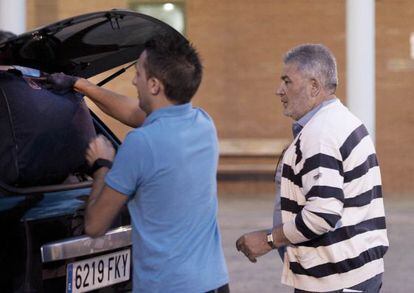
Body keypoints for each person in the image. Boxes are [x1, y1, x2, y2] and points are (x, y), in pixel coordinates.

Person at [46, 34, 229, 292]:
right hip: (214, 281)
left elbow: (95, 225)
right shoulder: (203, 123)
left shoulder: (141, 144)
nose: (133, 80)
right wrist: (82, 85)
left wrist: (101, 166)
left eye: (138, 73)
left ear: (154, 85)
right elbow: (135, 112)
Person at [236, 44, 389, 292]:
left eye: (287, 81)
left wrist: (269, 240)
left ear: (314, 86)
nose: (279, 91)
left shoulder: (320, 133)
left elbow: (322, 214)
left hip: (336, 280)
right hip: (354, 273)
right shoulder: (342, 120)